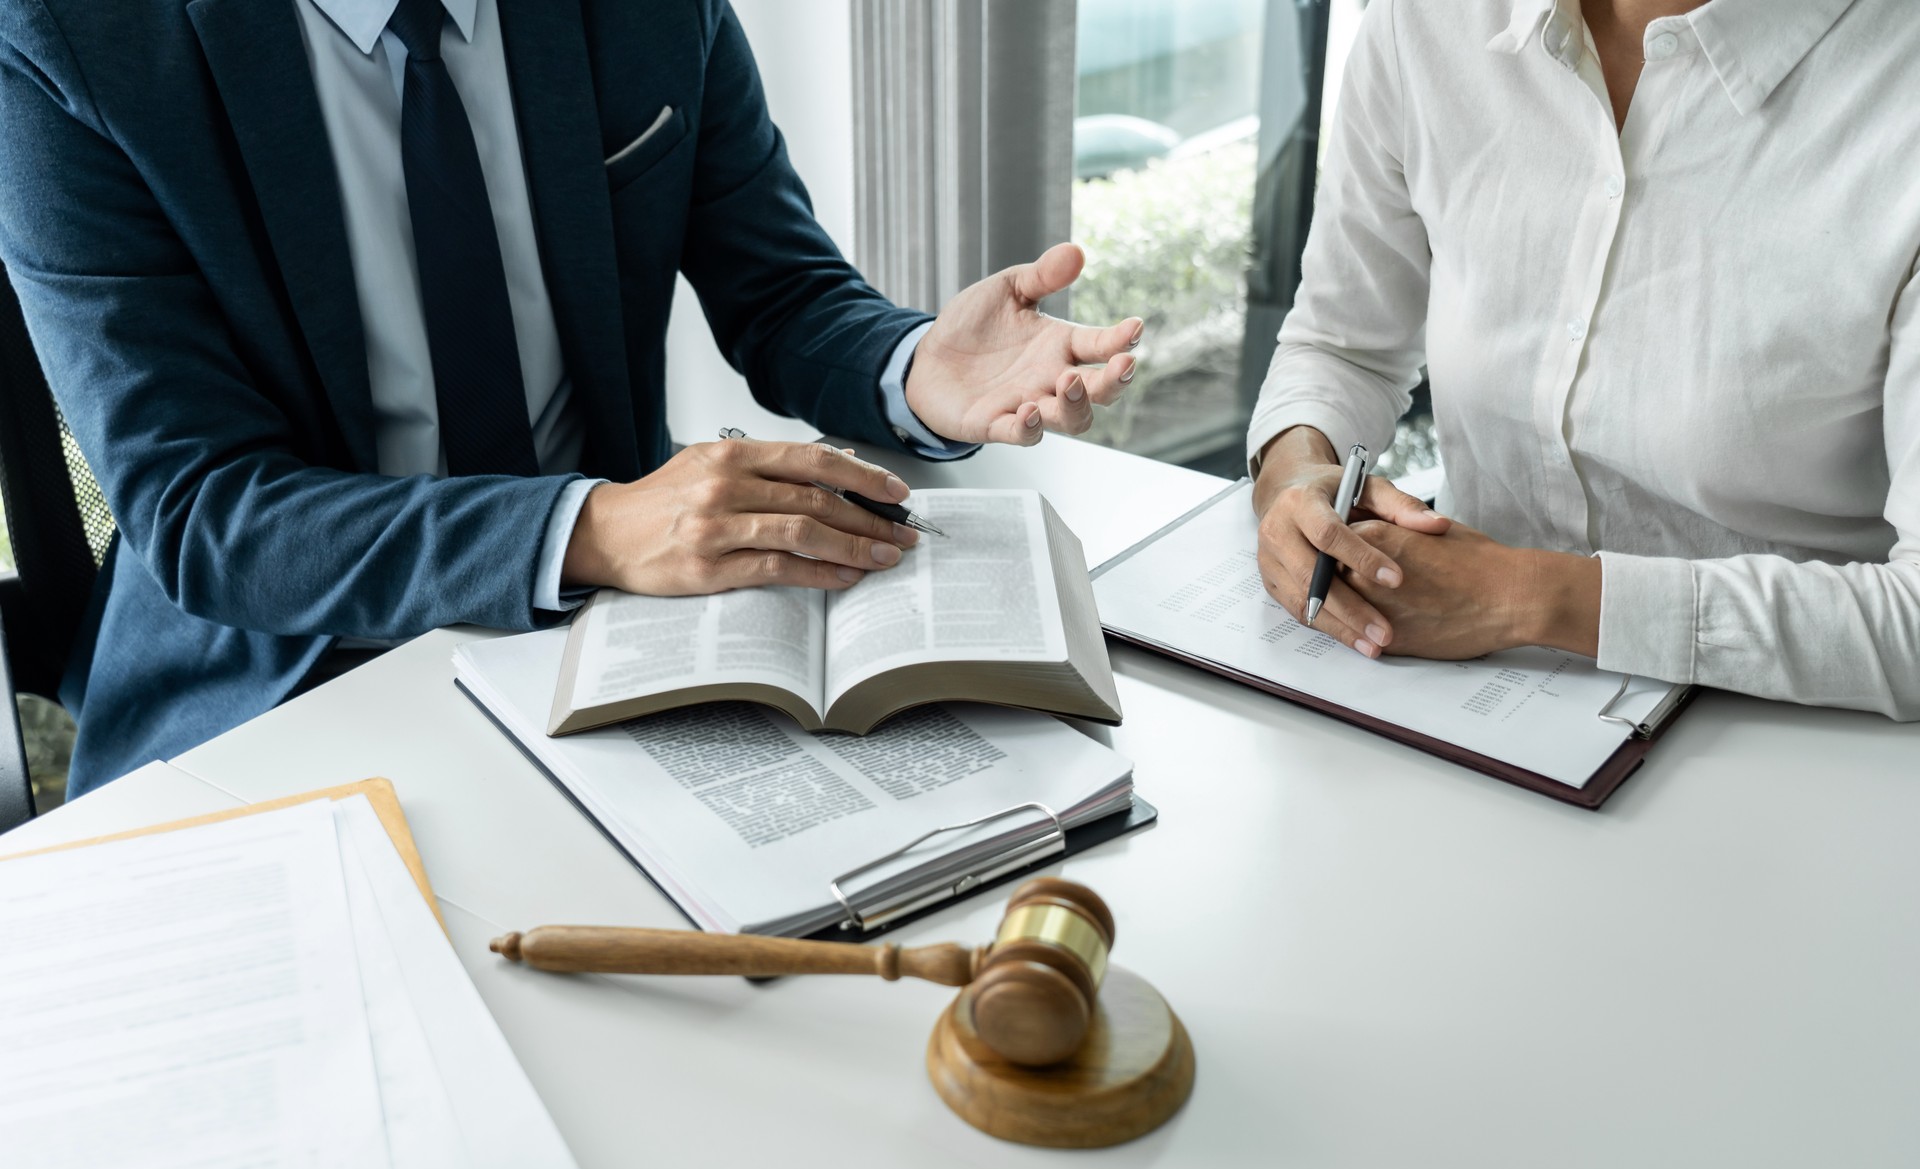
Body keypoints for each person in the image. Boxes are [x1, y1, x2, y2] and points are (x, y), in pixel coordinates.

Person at [0, 0, 1142, 795]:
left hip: (622, 638)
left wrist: (914, 370)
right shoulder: (70, 40)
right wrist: (592, 526)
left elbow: (782, 291)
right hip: (286, 673)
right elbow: (210, 514)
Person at [1248, 0, 1920, 718]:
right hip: (1455, 708)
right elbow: (1341, 345)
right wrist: (1295, 479)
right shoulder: (1428, 18)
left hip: (1800, 745)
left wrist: (1527, 596)